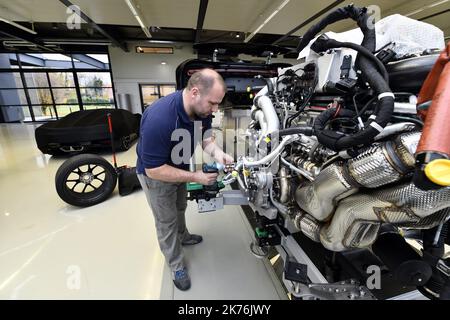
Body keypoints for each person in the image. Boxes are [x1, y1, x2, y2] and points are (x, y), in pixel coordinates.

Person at [136, 68, 233, 291]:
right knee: (166, 221)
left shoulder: (202, 112)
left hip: (179, 168)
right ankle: (176, 264)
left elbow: (205, 137)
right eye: (212, 103)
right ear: (195, 93)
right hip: (157, 175)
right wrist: (195, 176)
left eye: (218, 104)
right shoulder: (160, 118)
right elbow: (154, 170)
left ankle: (184, 235)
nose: (215, 110)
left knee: (180, 207)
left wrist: (219, 154)